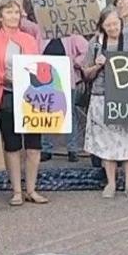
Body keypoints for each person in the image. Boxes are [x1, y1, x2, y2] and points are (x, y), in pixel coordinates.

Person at [81, 9, 128, 198]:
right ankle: (111, 183)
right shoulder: (94, 44)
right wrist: (97, 65)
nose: (113, 28)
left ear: (121, 23)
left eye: (116, 24)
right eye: (108, 25)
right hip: (102, 96)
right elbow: (85, 73)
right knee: (107, 143)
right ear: (102, 26)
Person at [0, 0, 46, 208]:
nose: (14, 16)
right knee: (12, 145)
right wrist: (3, 77)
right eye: (9, 12)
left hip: (31, 97)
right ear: (0, 16)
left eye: (16, 12)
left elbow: (41, 67)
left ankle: (31, 189)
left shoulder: (29, 39)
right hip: (6, 96)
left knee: (33, 145)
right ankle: (16, 191)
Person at [38, 30, 89, 162]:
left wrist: (74, 62)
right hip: (44, 79)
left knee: (68, 114)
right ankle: (45, 148)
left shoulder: (72, 34)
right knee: (45, 111)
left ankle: (72, 149)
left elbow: (86, 50)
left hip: (66, 79)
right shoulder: (41, 33)